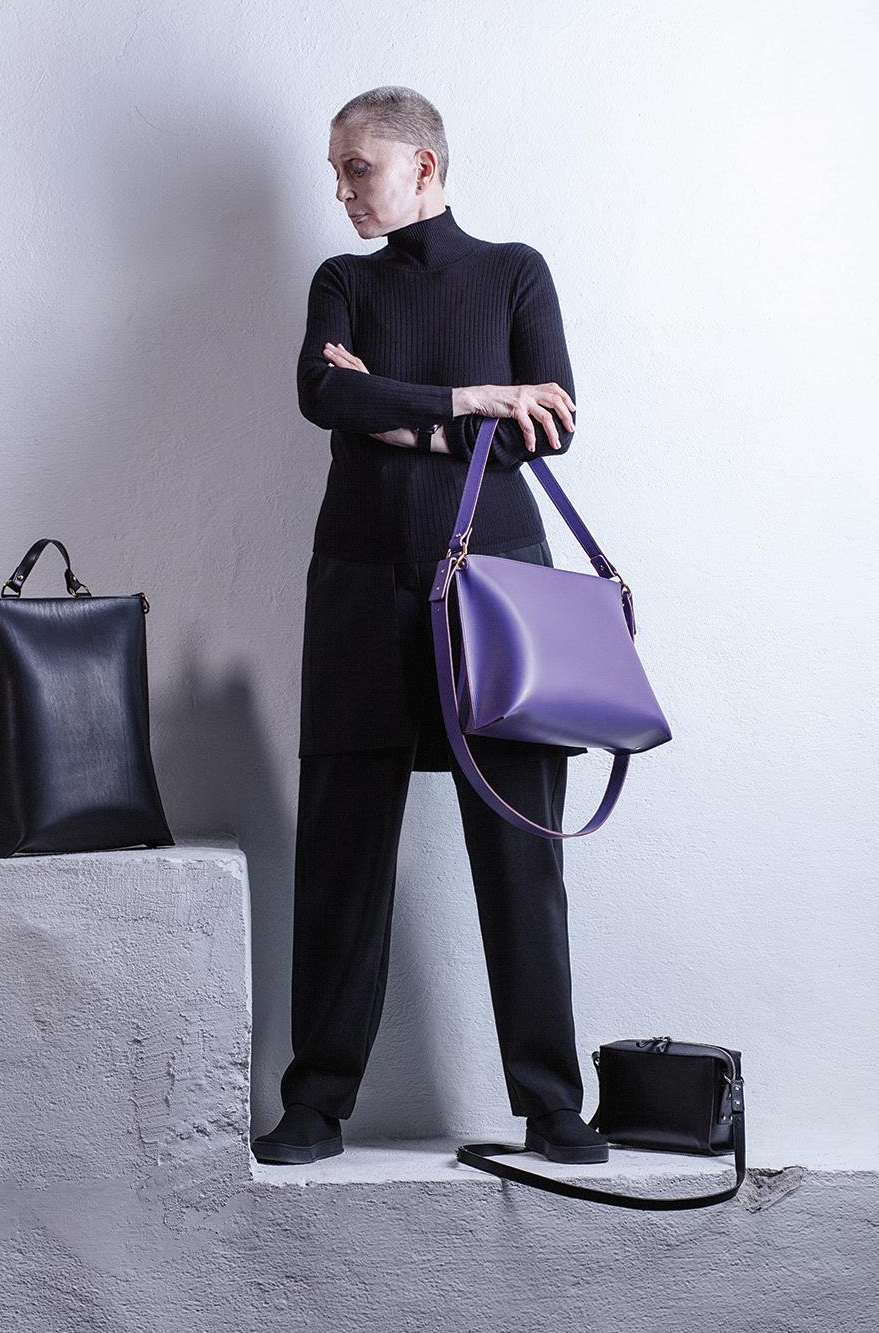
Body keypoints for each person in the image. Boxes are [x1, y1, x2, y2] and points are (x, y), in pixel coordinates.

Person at [251, 85, 609, 1168]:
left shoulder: (513, 271)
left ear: (422, 164)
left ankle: (551, 1103)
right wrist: (468, 401)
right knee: (341, 848)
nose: (341, 189)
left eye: (357, 166)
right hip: (360, 586)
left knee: (520, 851)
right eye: (335, 170)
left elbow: (547, 426)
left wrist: (398, 413)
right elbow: (324, 397)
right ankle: (316, 1102)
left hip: (497, 591)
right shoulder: (343, 281)